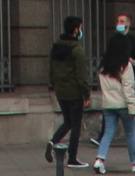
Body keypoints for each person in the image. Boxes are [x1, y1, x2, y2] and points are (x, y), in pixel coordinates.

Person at [92, 13, 135, 174]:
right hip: (124, 104)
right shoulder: (125, 66)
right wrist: (133, 108)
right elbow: (128, 88)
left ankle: (99, 159)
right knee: (131, 135)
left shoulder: (103, 67)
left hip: (108, 104)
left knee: (108, 132)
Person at [45, 15, 88, 163]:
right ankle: (72, 157)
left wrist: (54, 85)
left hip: (60, 91)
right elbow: (82, 75)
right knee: (75, 125)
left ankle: (53, 141)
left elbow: (51, 70)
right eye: (80, 28)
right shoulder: (77, 50)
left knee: (68, 121)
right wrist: (86, 94)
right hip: (74, 92)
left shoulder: (56, 47)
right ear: (76, 29)